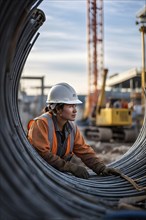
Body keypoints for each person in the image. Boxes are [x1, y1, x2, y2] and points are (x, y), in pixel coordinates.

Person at [28, 82, 119, 179]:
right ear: (58, 109)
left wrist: (101, 168)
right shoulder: (41, 124)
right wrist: (70, 167)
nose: (75, 110)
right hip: (37, 176)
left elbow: (84, 151)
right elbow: (42, 155)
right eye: (70, 106)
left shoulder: (72, 128)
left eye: (75, 106)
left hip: (55, 176)